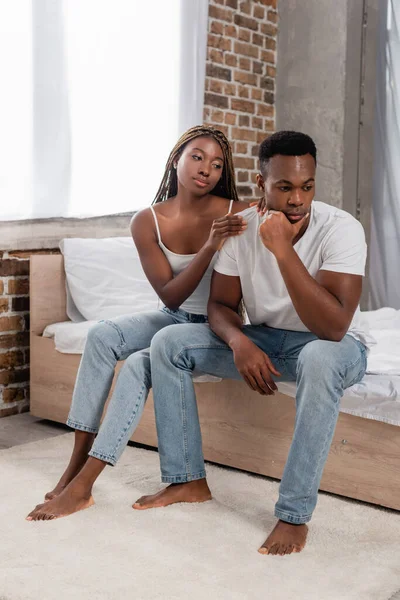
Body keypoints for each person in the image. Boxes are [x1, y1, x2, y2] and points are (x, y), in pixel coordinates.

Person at [132, 131, 373, 556]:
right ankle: (187, 478)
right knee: (168, 342)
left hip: (330, 348)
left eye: (307, 186)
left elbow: (334, 327)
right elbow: (221, 306)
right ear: (261, 185)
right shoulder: (240, 228)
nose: (298, 199)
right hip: (263, 339)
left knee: (318, 356)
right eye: (284, 187)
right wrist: (238, 341)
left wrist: (283, 251)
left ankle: (293, 514)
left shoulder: (342, 229)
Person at [26, 125, 249, 521]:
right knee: (101, 334)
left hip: (212, 324)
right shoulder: (147, 221)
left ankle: (83, 486)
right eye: (197, 157)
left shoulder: (236, 212)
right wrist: (210, 246)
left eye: (217, 164)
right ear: (176, 159)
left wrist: (216, 242)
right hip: (172, 314)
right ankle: (75, 464)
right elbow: (171, 295)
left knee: (137, 364)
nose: (206, 169)